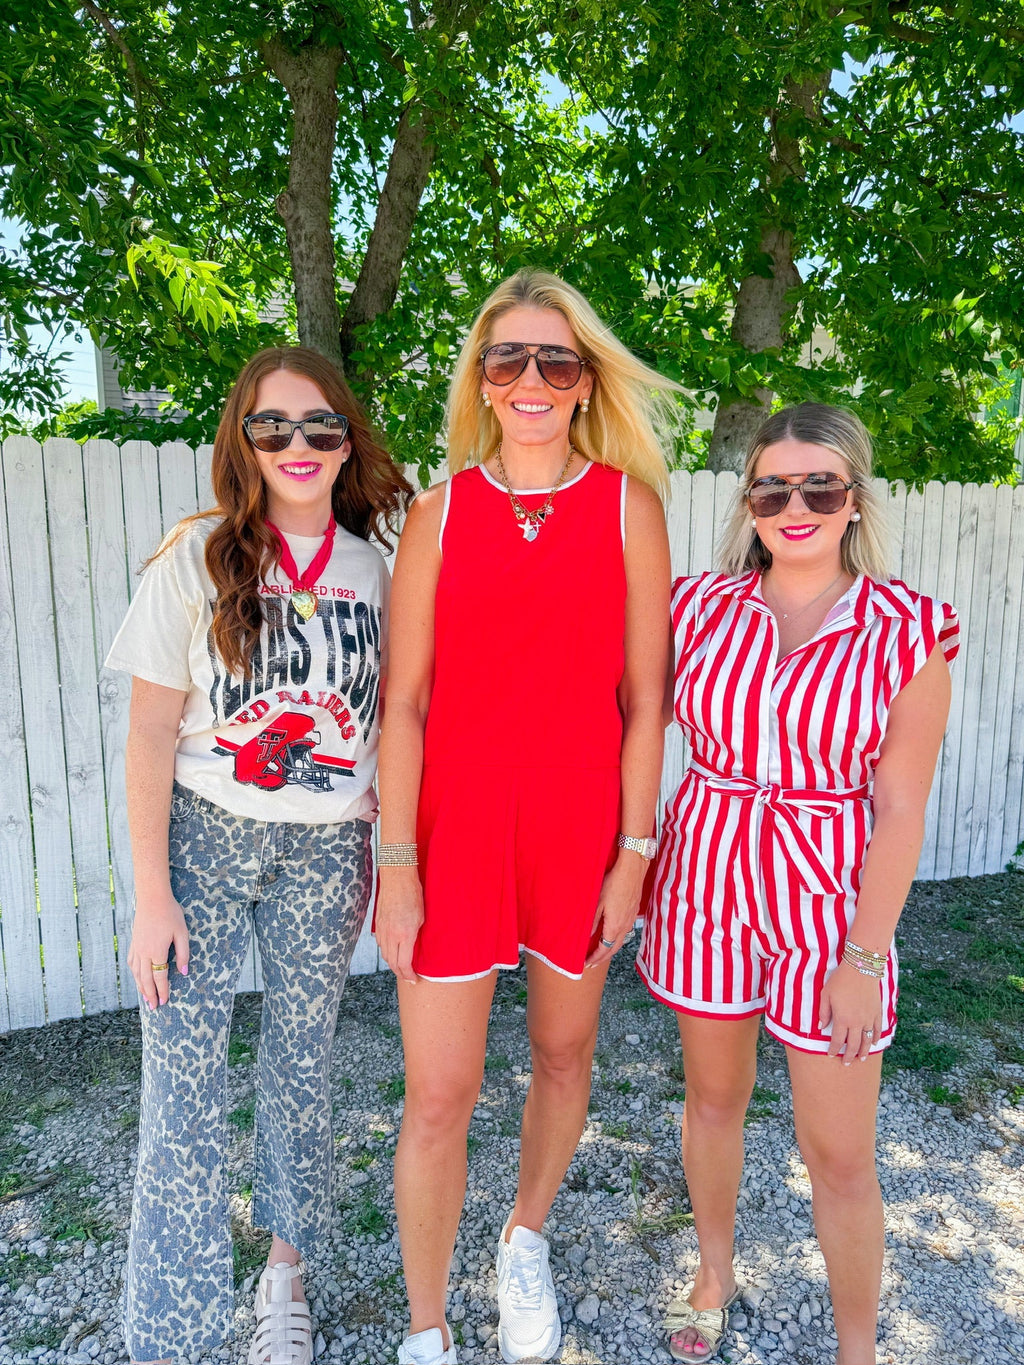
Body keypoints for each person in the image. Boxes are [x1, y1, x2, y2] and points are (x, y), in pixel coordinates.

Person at [374, 268, 676, 1365]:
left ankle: (523, 1239)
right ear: (484, 382)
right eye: (511, 359)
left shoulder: (628, 508)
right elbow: (403, 704)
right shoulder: (437, 515)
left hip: (579, 835)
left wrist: (632, 855)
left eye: (557, 359)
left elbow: (646, 704)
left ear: (586, 381)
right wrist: (395, 860)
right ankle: (424, 1328)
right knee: (439, 1094)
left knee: (561, 1053)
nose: (534, 378)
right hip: (450, 838)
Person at [104, 346, 411, 1365]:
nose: (297, 445)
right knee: (181, 1078)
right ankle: (174, 1322)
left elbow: (403, 718)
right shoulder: (195, 556)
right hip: (205, 835)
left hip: (328, 850)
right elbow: (150, 734)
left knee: (299, 1064)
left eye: (320, 426)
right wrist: (154, 895)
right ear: (241, 439)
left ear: (347, 440)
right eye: (271, 426)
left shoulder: (379, 571)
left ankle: (285, 1276)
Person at [637, 402, 958, 1365]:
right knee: (713, 1102)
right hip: (705, 885)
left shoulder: (908, 629)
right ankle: (715, 1270)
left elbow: (901, 808)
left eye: (820, 485)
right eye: (774, 487)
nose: (797, 505)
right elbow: (608, 715)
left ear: (854, 500)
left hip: (829, 906)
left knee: (842, 1154)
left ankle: (857, 1346)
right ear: (751, 501)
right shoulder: (696, 606)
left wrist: (865, 955)